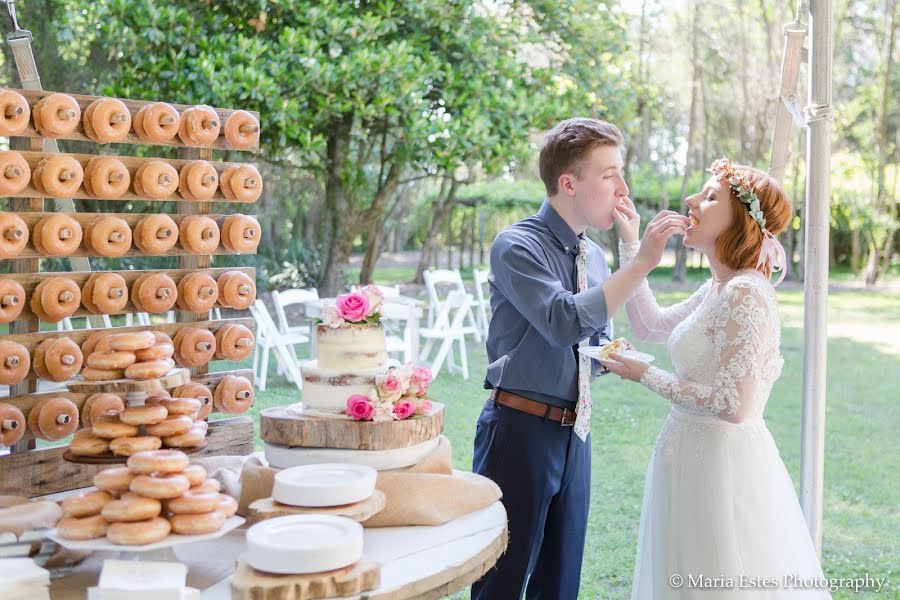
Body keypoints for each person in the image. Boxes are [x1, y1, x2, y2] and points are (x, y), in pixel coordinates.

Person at [472, 117, 686, 599]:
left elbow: (592, 344)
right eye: (610, 174)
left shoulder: (594, 258)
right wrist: (642, 262)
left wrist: (624, 358)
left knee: (561, 582)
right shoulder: (516, 245)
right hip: (519, 433)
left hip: (577, 434)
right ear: (568, 183)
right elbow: (562, 321)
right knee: (500, 582)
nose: (623, 187)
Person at [600, 158, 832, 599]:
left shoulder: (746, 292)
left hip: (721, 469)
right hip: (687, 456)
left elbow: (734, 405)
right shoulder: (717, 287)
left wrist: (646, 374)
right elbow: (650, 325)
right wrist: (633, 245)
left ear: (740, 219)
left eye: (709, 197)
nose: (691, 201)